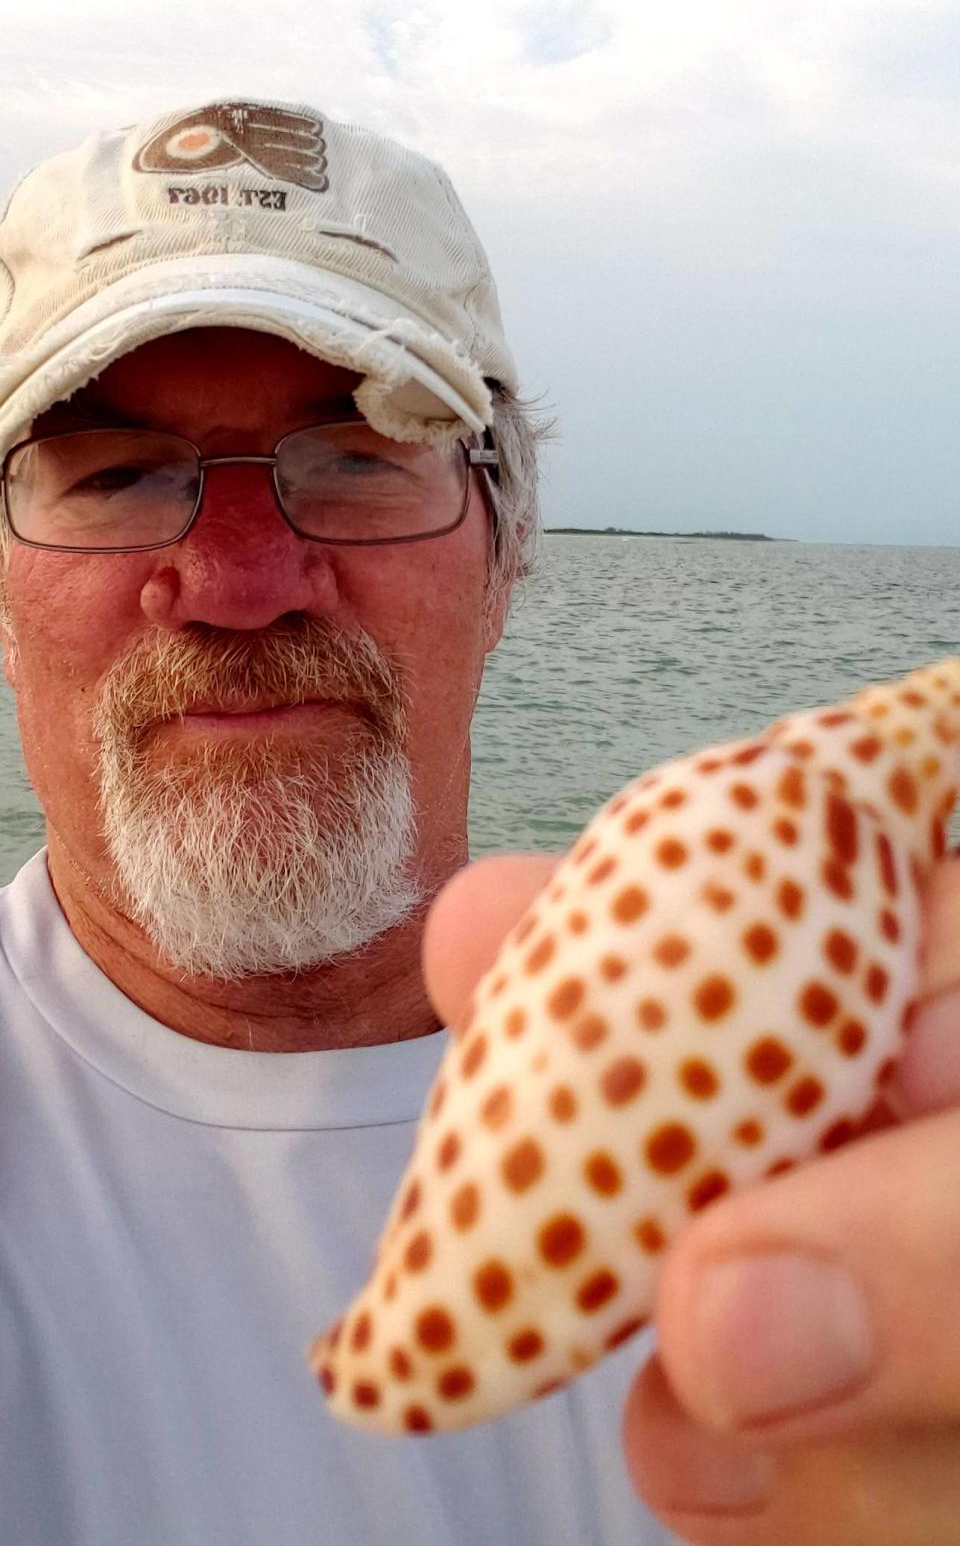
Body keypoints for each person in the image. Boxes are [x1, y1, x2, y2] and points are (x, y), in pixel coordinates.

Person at [1, 98, 958, 1546]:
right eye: (117, 475)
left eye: (356, 457)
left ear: (507, 554)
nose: (243, 577)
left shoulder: (822, 1101)